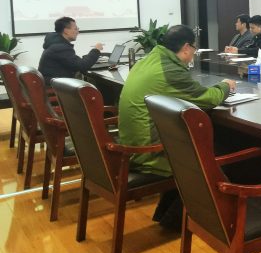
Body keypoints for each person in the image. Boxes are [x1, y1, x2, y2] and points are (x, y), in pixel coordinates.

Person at [118, 25, 235, 227]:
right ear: (187, 47)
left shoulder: (149, 60)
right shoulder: (170, 70)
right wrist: (226, 85)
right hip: (148, 152)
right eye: (194, 49)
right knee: (212, 152)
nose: (193, 54)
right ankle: (206, 221)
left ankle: (168, 217)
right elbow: (208, 98)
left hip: (131, 144)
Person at [38, 17, 103, 84]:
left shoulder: (56, 44)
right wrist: (96, 50)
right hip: (56, 86)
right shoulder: (60, 47)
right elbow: (82, 66)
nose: (78, 32)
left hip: (56, 82)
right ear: (66, 31)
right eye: (75, 29)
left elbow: (75, 63)